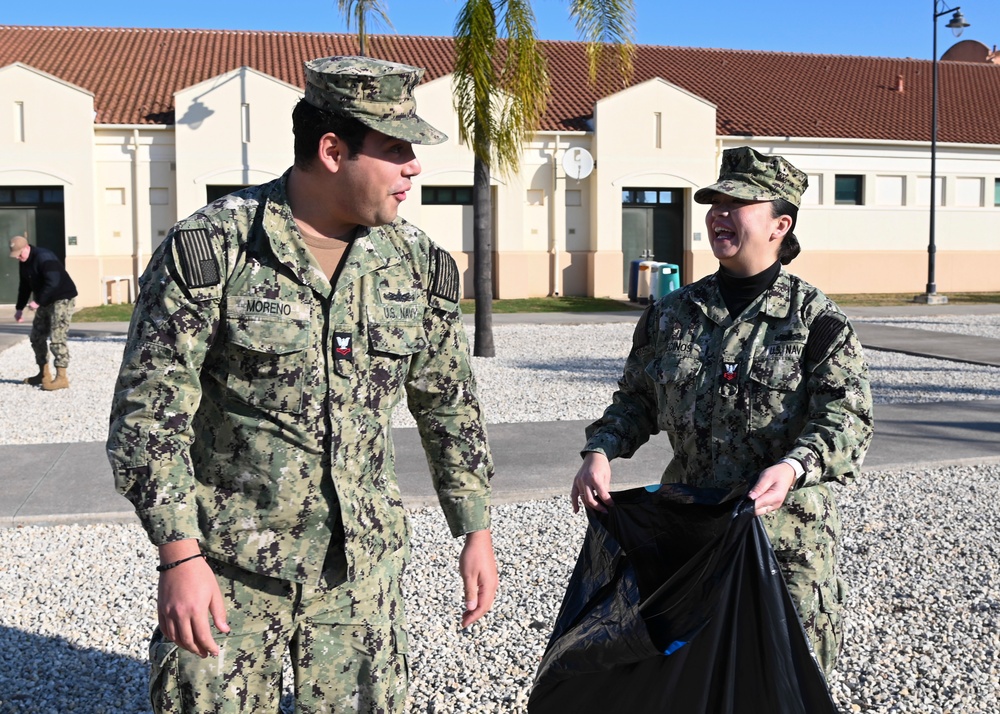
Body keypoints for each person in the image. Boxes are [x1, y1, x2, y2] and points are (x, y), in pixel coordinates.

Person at [107, 56, 497, 713]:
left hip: (360, 578)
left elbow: (448, 403)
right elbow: (149, 417)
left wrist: (475, 527)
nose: (414, 167)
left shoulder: (418, 264)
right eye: (397, 148)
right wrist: (179, 556)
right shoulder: (214, 248)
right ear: (332, 150)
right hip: (229, 572)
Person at [571, 146, 873, 675]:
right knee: (688, 683)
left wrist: (792, 466)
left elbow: (848, 419)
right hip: (692, 539)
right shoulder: (671, 314)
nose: (718, 214)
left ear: (781, 223)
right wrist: (602, 450)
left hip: (783, 545)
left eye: (737, 203)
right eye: (714, 202)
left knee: (782, 685)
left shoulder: (816, 322)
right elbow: (637, 401)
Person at [9, 234, 78, 390]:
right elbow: (25, 286)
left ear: (27, 247)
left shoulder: (44, 257)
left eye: (20, 254)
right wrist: (19, 308)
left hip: (62, 298)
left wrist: (38, 301)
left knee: (57, 337)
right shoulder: (24, 261)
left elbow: (53, 281)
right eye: (16, 256)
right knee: (36, 336)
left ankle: (62, 377)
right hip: (45, 300)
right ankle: (43, 373)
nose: (18, 258)